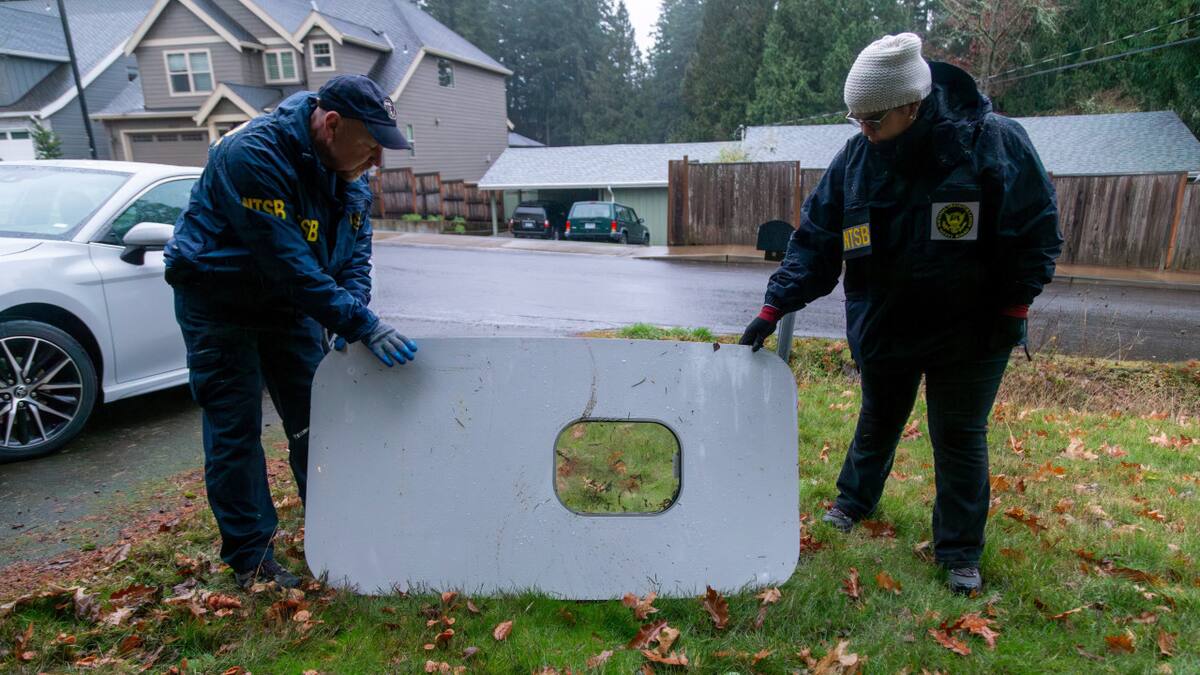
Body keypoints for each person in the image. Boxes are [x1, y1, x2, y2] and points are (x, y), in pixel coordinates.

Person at [740, 34, 1062, 594]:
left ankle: (959, 552)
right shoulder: (856, 160)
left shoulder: (992, 142)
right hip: (887, 323)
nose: (863, 131)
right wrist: (775, 305)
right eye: (856, 119)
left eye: (874, 120)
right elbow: (816, 240)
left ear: (911, 105)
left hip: (973, 328)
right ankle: (853, 501)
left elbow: (1037, 232)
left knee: (958, 435)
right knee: (879, 417)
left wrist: (1014, 305)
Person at [164, 75, 419, 589]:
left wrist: (353, 312)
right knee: (235, 429)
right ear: (332, 125)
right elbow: (288, 263)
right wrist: (361, 324)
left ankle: (335, 530)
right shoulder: (252, 155)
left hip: (290, 304)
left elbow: (355, 256)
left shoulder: (349, 175)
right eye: (371, 145)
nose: (377, 161)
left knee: (318, 422)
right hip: (220, 299)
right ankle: (251, 558)